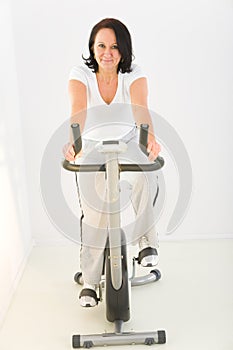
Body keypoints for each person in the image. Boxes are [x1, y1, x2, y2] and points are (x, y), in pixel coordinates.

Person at [64, 18, 161, 307]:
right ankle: (91, 283)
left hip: (128, 140)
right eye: (101, 45)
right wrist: (75, 141)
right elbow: (78, 109)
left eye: (115, 47)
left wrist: (150, 141)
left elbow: (141, 111)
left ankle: (146, 243)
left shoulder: (134, 74)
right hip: (93, 145)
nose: (107, 53)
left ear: (124, 50)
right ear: (92, 48)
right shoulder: (80, 73)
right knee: (96, 213)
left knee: (146, 174)